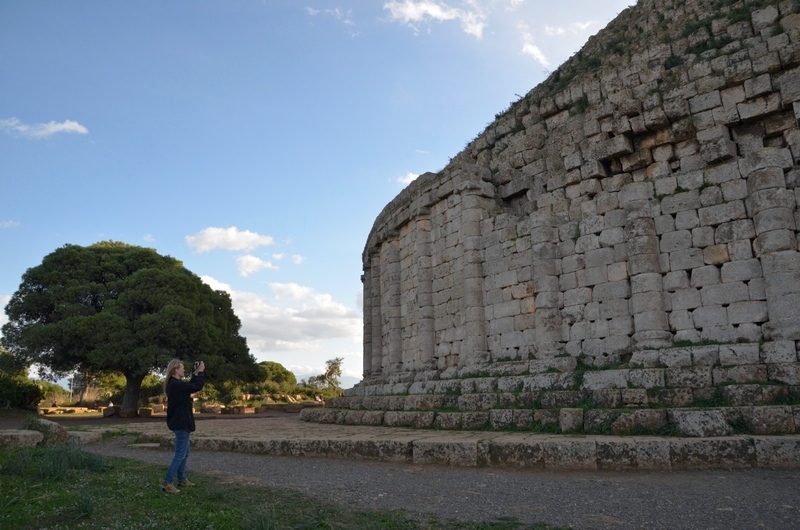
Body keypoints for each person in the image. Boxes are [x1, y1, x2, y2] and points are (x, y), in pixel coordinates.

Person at [161, 358, 205, 494]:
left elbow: (190, 386)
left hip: (181, 422)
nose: (184, 370)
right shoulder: (175, 385)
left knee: (184, 453)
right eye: (182, 368)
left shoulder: (176, 384)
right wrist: (201, 372)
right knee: (180, 454)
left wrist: (196, 373)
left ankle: (182, 479)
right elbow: (196, 387)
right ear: (175, 370)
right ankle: (167, 483)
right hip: (181, 423)